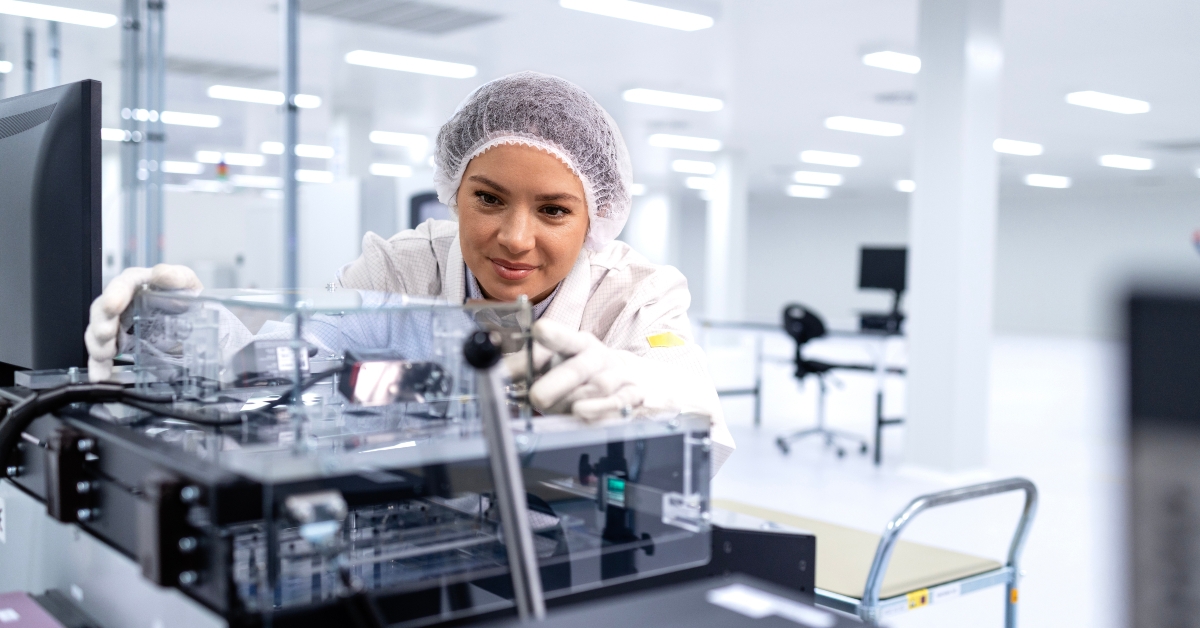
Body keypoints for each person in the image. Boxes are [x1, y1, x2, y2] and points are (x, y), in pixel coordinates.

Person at [84, 71, 734, 471]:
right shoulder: (398, 267)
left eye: (554, 210)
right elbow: (280, 367)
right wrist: (176, 332)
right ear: (452, 193)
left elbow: (699, 415)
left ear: (596, 220)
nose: (515, 239)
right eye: (488, 199)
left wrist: (635, 389)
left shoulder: (635, 295)